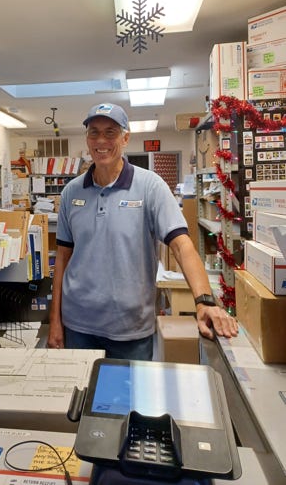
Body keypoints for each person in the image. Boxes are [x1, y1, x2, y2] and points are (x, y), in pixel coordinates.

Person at [47, 103, 238, 360]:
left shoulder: (151, 187)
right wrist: (55, 321)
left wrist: (204, 301)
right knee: (81, 387)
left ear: (125, 138)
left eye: (110, 132)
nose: (101, 140)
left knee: (129, 388)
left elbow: (181, 245)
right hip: (78, 325)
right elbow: (62, 258)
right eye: (94, 132)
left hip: (130, 329)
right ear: (87, 139)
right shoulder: (72, 192)